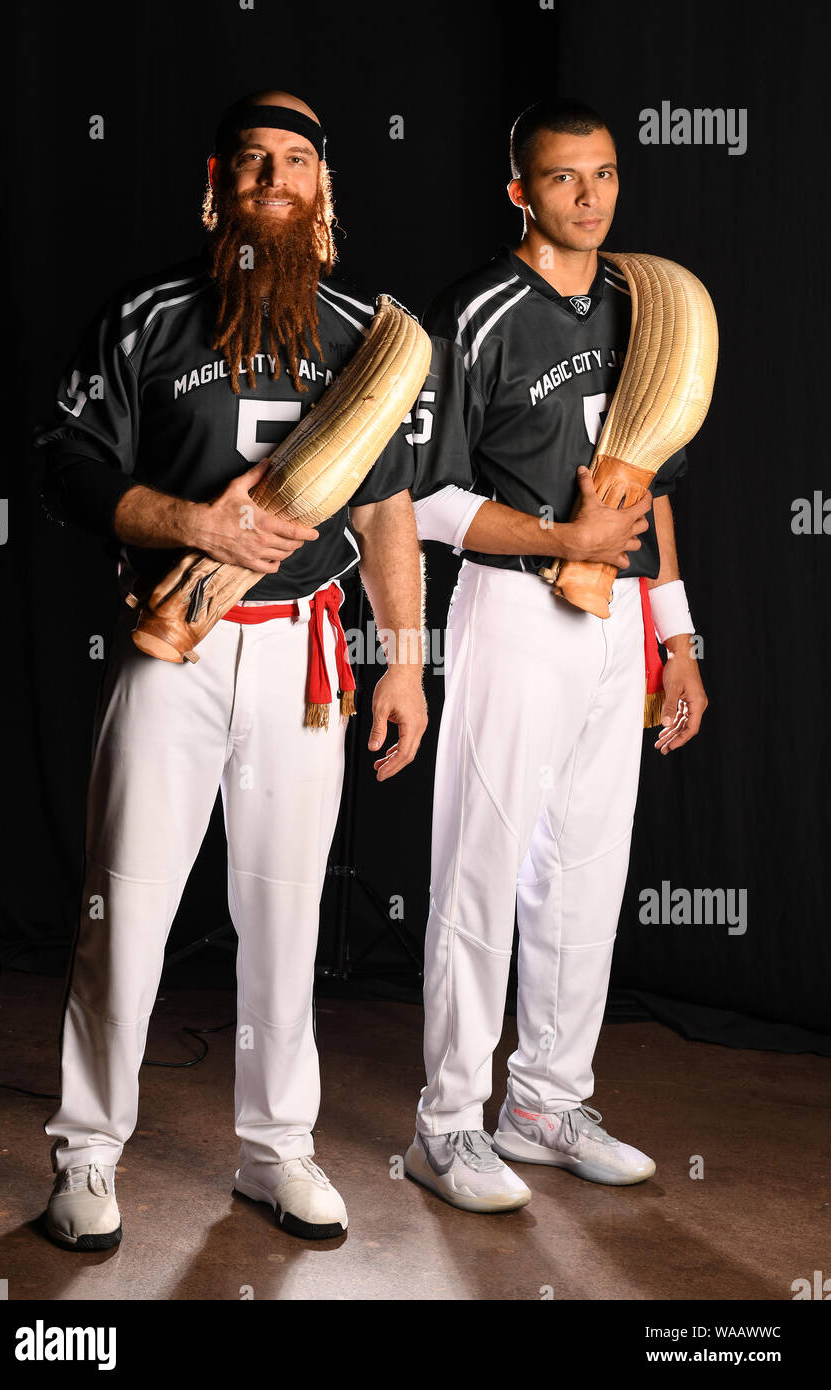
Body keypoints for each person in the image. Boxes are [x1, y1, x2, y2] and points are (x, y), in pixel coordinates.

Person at [33, 89, 429, 1246]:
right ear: (219, 184)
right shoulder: (148, 314)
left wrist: (401, 663)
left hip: (304, 653)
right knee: (128, 903)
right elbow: (66, 462)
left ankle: (275, 1151)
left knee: (284, 915)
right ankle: (88, 1151)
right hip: (176, 644)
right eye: (250, 160)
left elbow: (390, 513)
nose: (271, 178)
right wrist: (188, 524)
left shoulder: (367, 333)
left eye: (293, 160)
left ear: (322, 189)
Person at [403, 98, 708, 1212]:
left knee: (583, 871)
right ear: (519, 192)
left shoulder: (638, 303)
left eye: (605, 174)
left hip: (618, 620)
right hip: (514, 605)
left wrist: (675, 636)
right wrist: (559, 540)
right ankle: (446, 1121)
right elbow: (425, 498)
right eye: (563, 179)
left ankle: (543, 1100)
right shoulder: (474, 310)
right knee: (480, 864)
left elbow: (649, 483)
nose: (589, 197)